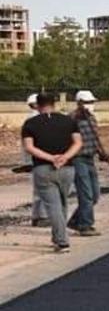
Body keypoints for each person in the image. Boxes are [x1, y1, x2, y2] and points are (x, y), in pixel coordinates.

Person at [20, 92, 82, 253]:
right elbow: (78, 143)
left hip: (43, 168)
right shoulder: (68, 121)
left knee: (53, 205)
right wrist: (65, 157)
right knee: (62, 203)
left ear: (37, 105)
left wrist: (50, 158)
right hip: (67, 168)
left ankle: (62, 241)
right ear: (54, 103)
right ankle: (58, 236)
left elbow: (29, 147)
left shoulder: (30, 124)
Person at [67, 90, 108, 237]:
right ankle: (85, 225)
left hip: (90, 159)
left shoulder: (92, 118)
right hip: (78, 159)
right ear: (79, 103)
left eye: (91, 102)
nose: (90, 105)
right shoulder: (72, 119)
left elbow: (95, 138)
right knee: (86, 194)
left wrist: (101, 152)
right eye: (87, 102)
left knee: (95, 195)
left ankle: (76, 220)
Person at [22, 93, 49, 227]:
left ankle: (36, 216)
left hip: (33, 158)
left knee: (38, 189)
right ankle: (42, 217)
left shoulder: (29, 120)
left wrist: (26, 162)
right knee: (44, 188)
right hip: (40, 158)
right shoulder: (37, 120)